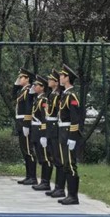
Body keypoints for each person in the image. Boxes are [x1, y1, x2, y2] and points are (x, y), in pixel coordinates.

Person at [57, 63, 81, 205]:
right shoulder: (65, 94)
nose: (60, 77)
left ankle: (73, 196)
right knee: (65, 163)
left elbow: (75, 118)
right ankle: (69, 194)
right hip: (63, 131)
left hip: (68, 132)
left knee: (70, 164)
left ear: (67, 78)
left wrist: (72, 137)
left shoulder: (71, 95)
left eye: (62, 75)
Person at [13, 67, 36, 185]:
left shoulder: (28, 91)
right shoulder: (22, 91)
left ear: (27, 79)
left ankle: (33, 177)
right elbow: (13, 95)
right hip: (20, 122)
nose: (20, 79)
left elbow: (28, 108)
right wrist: (16, 84)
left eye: (21, 77)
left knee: (28, 150)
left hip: (24, 122)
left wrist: (27, 124)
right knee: (24, 151)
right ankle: (28, 176)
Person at [44, 68, 65, 199]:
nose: (48, 81)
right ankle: (57, 187)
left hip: (55, 128)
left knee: (58, 159)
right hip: (50, 127)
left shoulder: (57, 95)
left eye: (51, 79)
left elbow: (55, 112)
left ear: (56, 82)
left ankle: (60, 188)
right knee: (54, 157)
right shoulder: (52, 94)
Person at [30, 74, 52, 191]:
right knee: (40, 156)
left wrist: (44, 134)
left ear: (42, 87)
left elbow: (44, 118)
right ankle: (43, 181)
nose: (34, 87)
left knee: (45, 157)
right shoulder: (37, 99)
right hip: (35, 130)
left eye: (37, 85)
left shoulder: (43, 100)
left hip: (40, 130)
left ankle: (45, 182)